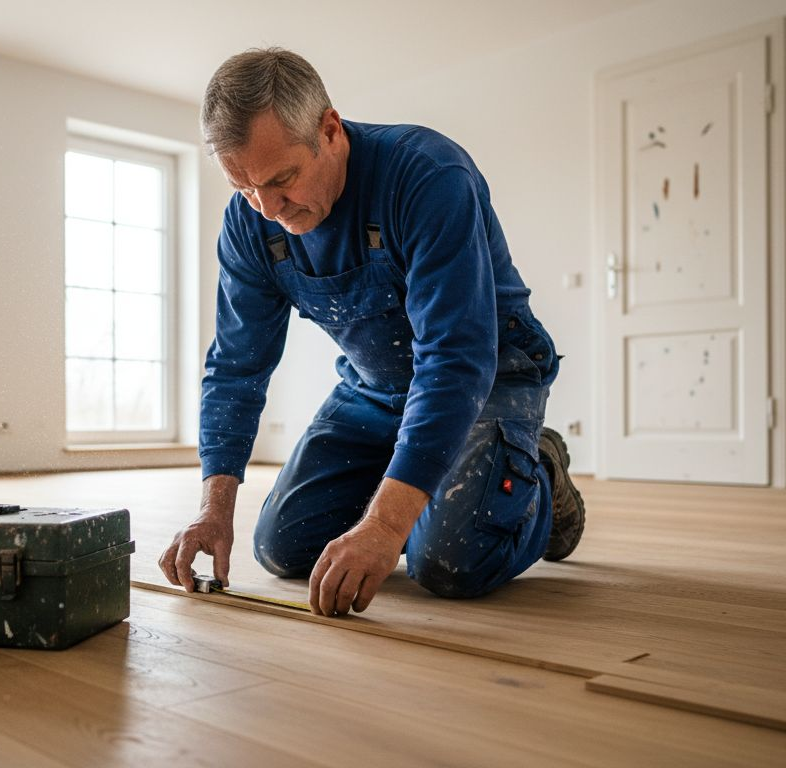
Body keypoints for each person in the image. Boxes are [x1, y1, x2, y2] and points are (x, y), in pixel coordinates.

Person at [159, 48, 585, 616]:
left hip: (487, 378)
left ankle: (541, 476)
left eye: (282, 180)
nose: (268, 209)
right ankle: (427, 481)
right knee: (282, 548)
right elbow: (236, 367)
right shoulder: (251, 223)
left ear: (329, 130)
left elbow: (456, 358)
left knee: (449, 563)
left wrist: (386, 525)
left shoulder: (428, 176)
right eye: (245, 189)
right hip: (374, 390)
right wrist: (213, 512)